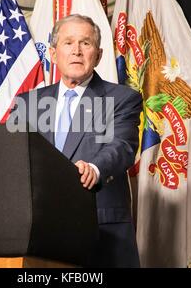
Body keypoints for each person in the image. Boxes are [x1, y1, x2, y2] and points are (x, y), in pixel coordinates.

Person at [10, 14, 142, 267]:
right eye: (68, 43)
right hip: (40, 231)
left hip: (101, 229)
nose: (77, 51)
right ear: (53, 53)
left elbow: (122, 147)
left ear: (99, 55)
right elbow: (13, 157)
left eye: (86, 43)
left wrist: (95, 168)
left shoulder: (122, 99)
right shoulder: (27, 103)